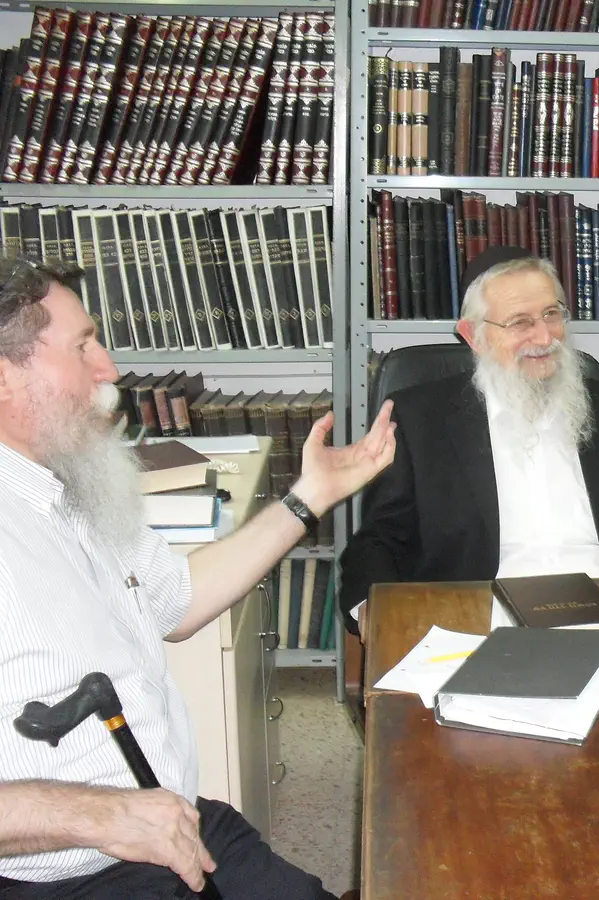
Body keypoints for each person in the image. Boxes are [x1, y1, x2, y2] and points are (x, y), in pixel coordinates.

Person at [0, 256, 396, 899]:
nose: (109, 369)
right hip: (70, 874)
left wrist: (309, 499)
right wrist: (101, 816)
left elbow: (175, 600)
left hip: (177, 823)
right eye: (82, 347)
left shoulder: (71, 484)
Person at [340, 245, 599, 635]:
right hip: (480, 622)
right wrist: (372, 611)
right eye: (519, 322)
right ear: (474, 336)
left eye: (551, 314)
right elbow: (380, 539)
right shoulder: (418, 419)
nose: (544, 336)